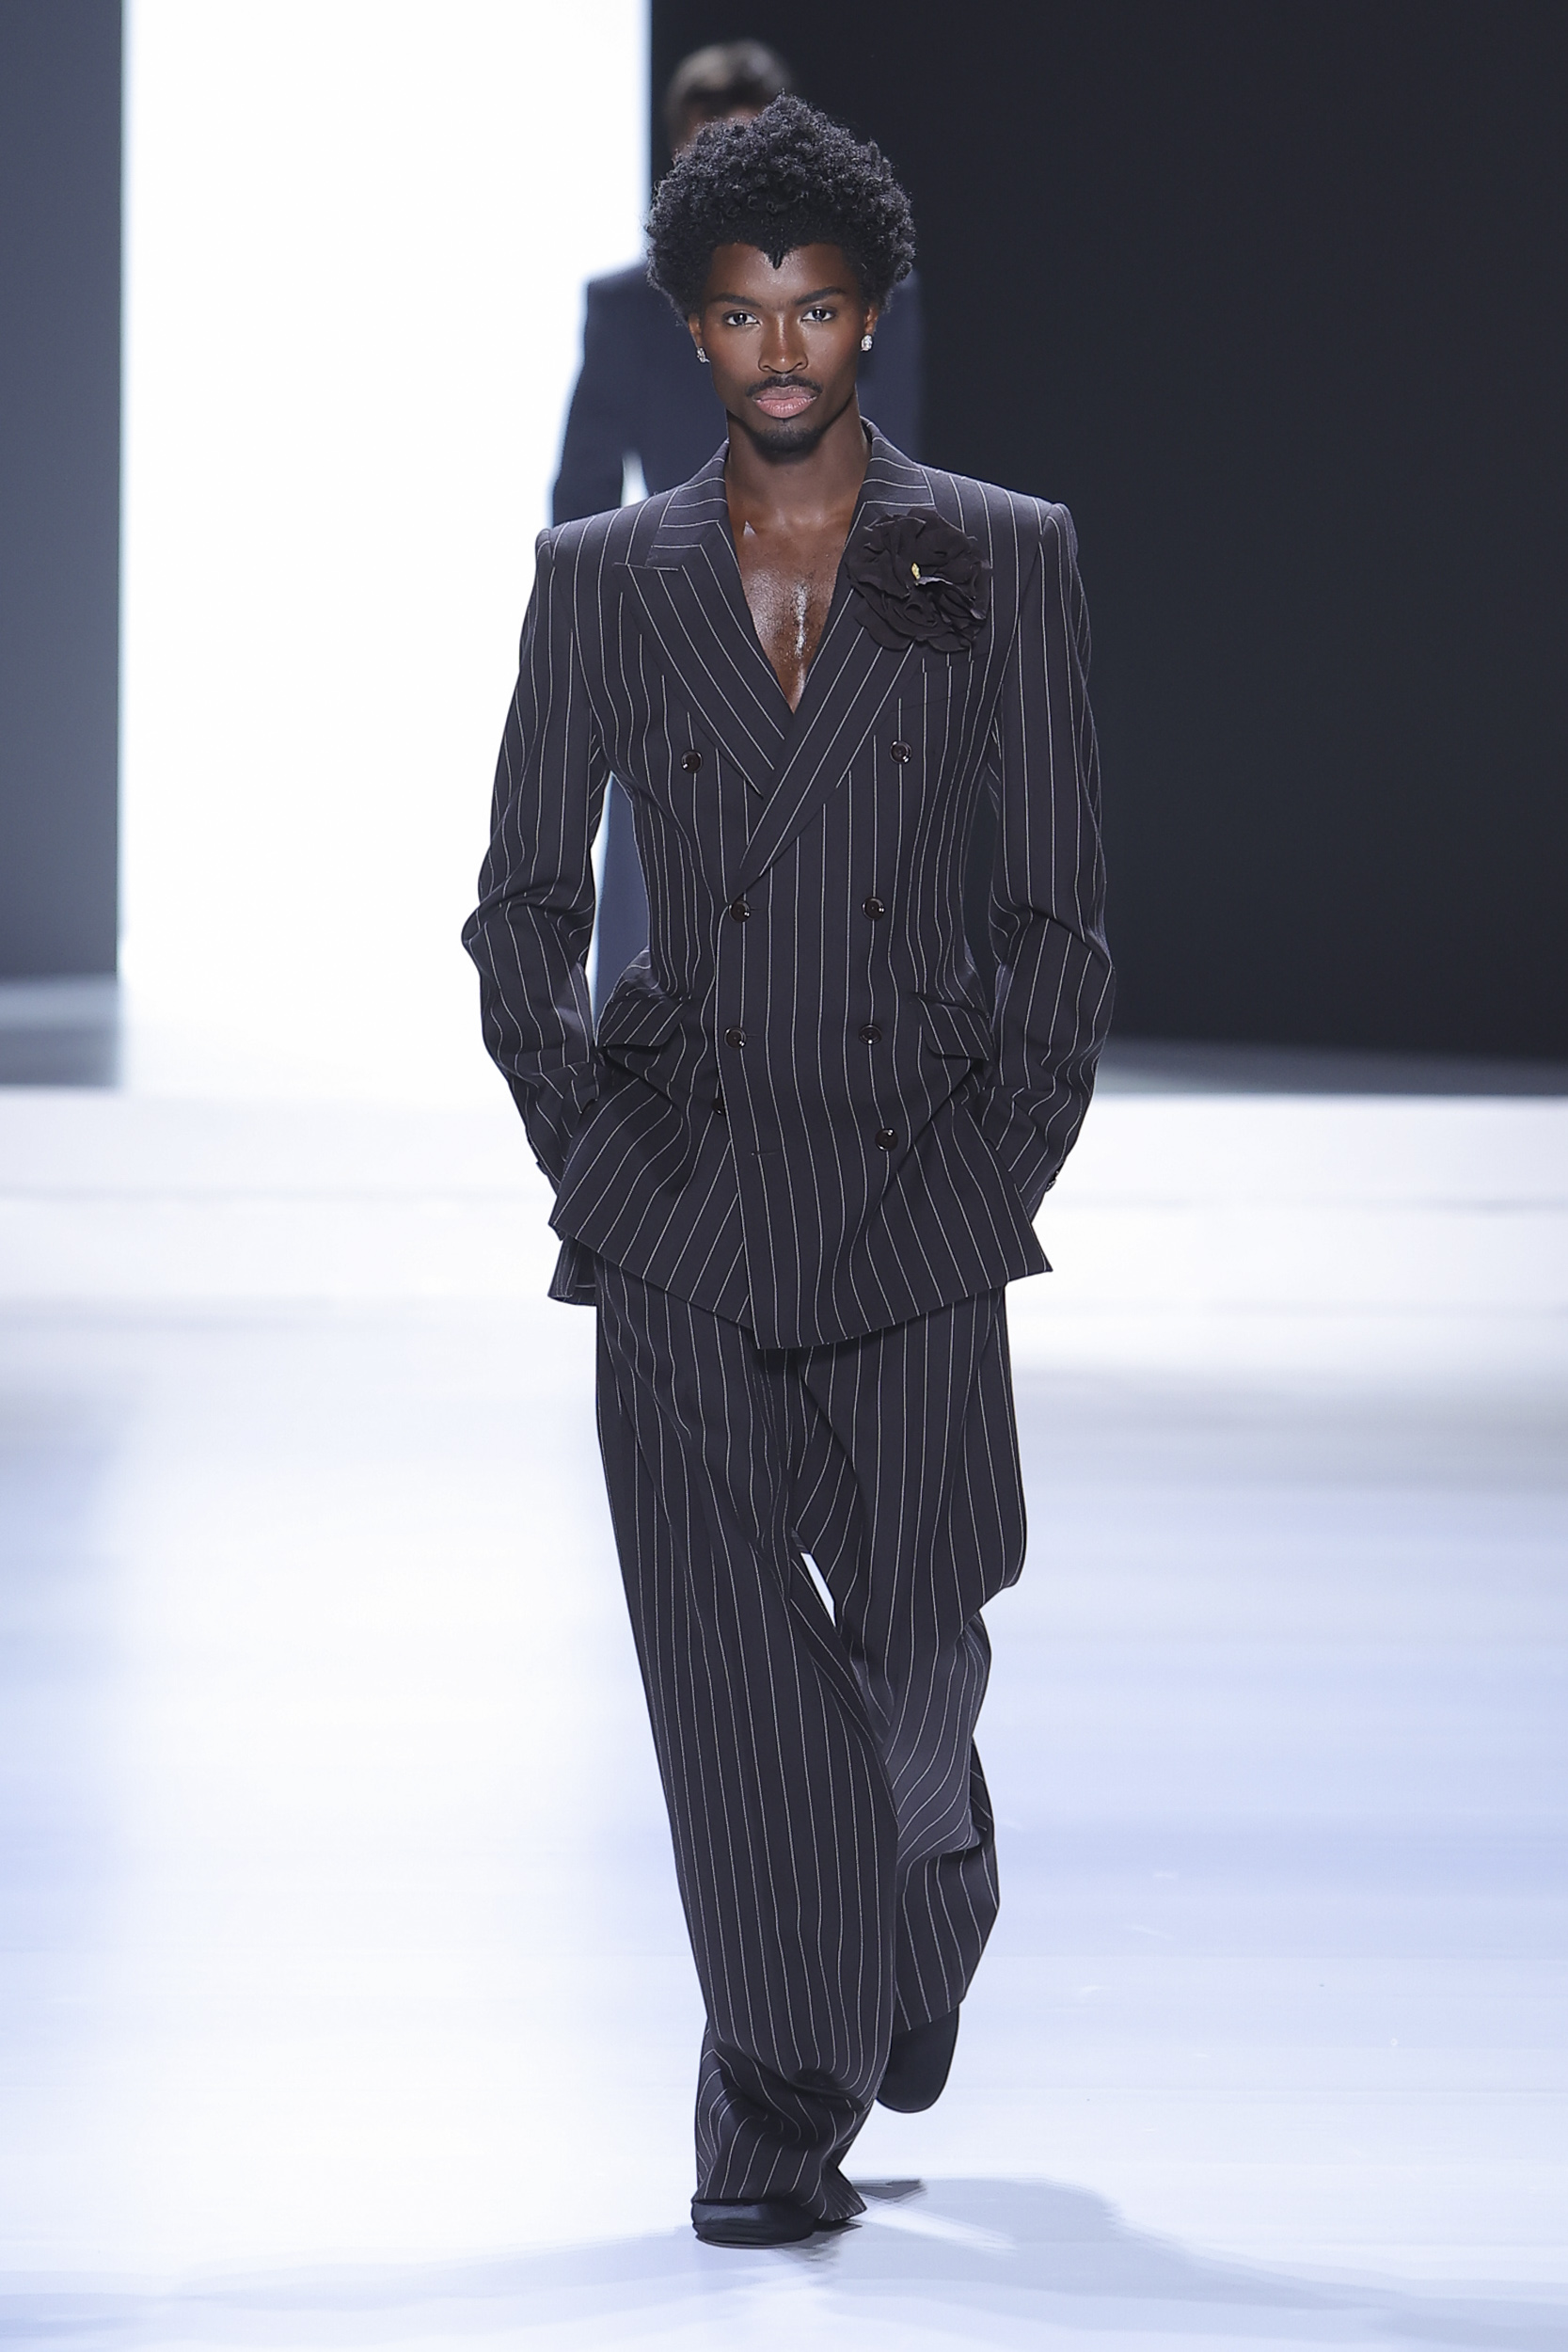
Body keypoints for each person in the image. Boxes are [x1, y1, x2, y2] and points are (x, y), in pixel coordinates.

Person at [464, 98, 1112, 2248]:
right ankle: (769, 2113)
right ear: (692, 324)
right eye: (739, 309)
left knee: (915, 1644)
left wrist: (1000, 1152)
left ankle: (925, 1867)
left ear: (866, 316)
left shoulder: (990, 556)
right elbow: (521, 902)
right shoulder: (604, 580)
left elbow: (1055, 911)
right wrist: (586, 1142)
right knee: (729, 1684)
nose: (776, 344)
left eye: (812, 305)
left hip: (914, 1181)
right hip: (680, 1187)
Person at [552, 42, 924, 1010]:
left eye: (751, 146)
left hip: (827, 610)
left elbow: (895, 461)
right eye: (710, 148)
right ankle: (639, 1076)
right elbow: (584, 480)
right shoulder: (625, 308)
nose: (732, 172)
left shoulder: (864, 301)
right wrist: (600, 620)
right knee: (652, 859)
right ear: (677, 155)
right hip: (677, 610)